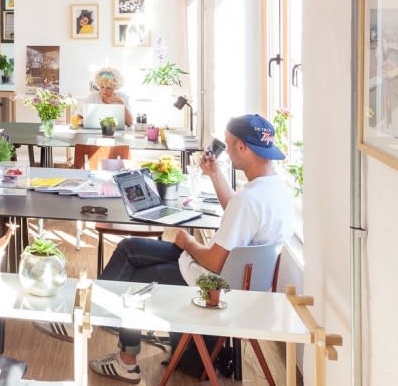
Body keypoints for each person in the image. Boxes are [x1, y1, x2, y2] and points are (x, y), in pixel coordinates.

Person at [87, 113, 294, 384]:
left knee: (133, 282)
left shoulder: (249, 200)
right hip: (243, 283)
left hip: (215, 286)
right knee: (129, 248)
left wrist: (188, 242)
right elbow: (239, 214)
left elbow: (214, 261)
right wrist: (215, 175)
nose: (227, 152)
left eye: (229, 145)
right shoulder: (279, 191)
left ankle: (121, 356)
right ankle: (95, 313)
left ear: (242, 147)